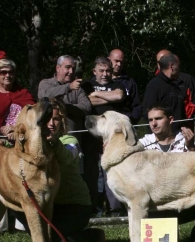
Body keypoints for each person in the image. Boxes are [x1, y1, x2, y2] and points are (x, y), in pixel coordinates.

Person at [0, 98, 105, 242]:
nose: (51, 124)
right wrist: (4, 143)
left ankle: (93, 235)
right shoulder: (37, 143)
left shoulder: (70, 141)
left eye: (56, 119)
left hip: (75, 206)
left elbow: (68, 158)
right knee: (31, 220)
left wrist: (54, 142)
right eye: (48, 119)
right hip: (51, 205)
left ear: (63, 122)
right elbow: (23, 149)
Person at [139, 102, 195, 242]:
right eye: (150, 120)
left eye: (158, 119)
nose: (153, 124)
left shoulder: (187, 142)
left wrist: (191, 147)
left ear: (171, 119)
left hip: (185, 203)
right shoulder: (141, 145)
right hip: (156, 206)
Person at [37, 55, 97, 213]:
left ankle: (76, 208)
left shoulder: (78, 87)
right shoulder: (46, 83)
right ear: (58, 68)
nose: (71, 71)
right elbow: (44, 97)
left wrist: (64, 107)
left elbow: (86, 107)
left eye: (73, 68)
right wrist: (68, 88)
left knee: (72, 174)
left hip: (72, 142)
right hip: (48, 141)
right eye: (67, 67)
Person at [80, 56, 126, 216]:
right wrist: (108, 98)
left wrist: (96, 94)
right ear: (94, 71)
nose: (105, 74)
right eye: (101, 71)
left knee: (114, 170)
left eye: (108, 71)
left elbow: (119, 97)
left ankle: (116, 210)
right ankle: (96, 210)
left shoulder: (118, 84)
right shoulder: (87, 84)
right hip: (92, 136)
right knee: (94, 173)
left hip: (113, 137)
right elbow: (87, 102)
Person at [0, 59, 35, 144]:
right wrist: (0, 129)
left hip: (22, 142)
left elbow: (34, 117)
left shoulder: (24, 94)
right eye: (3, 72)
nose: (7, 75)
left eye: (11, 72)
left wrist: (16, 128)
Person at [145, 50, 195, 127]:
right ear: (172, 66)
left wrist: (185, 126)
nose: (179, 69)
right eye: (178, 66)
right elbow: (148, 111)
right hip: (161, 134)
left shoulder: (177, 86)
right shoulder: (154, 85)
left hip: (178, 133)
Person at [109, 49, 143, 124]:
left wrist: (132, 120)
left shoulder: (129, 82)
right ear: (109, 59)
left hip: (125, 123)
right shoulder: (99, 81)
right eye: (116, 61)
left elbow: (137, 105)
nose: (119, 64)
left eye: (121, 62)